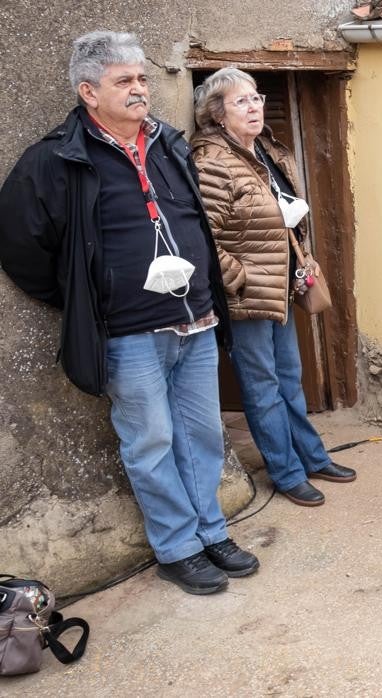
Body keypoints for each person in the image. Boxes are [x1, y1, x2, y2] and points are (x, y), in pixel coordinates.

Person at [0, 32, 258, 594]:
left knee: (202, 435)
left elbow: (193, 222)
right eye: (125, 81)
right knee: (150, 441)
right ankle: (178, 547)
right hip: (128, 331)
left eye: (142, 78)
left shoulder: (165, 141)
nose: (141, 89)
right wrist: (83, 297)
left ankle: (211, 532)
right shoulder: (56, 157)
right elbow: (20, 244)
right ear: (89, 91)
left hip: (196, 317)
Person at [190, 68, 357, 508]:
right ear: (216, 115)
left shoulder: (265, 151)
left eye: (256, 98)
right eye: (240, 101)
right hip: (247, 297)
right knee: (262, 386)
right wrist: (239, 280)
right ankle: (285, 472)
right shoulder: (211, 162)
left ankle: (310, 456)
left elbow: (283, 216)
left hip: (281, 287)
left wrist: (302, 254)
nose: (254, 107)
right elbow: (204, 238)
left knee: (288, 378)